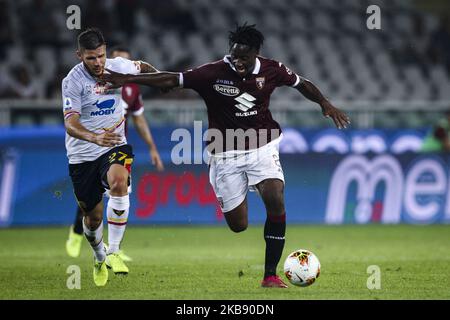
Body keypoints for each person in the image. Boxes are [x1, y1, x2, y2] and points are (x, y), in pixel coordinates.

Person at [100, 24, 350, 288]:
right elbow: (173, 79)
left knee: (275, 198)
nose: (238, 62)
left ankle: (270, 275)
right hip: (225, 153)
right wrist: (128, 80)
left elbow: (302, 84)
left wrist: (324, 103)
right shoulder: (213, 72)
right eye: (234, 55)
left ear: (256, 53)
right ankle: (242, 196)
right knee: (238, 225)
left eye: (244, 57)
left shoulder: (271, 69)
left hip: (262, 145)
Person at [62, 28, 158, 286]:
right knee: (92, 219)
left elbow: (146, 69)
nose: (98, 63)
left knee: (119, 181)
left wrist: (155, 80)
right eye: (91, 58)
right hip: (82, 155)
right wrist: (94, 137)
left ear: (106, 50)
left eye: (101, 56)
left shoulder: (119, 67)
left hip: (114, 145)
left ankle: (115, 251)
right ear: (79, 55)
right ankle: (99, 255)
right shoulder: (72, 81)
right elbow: (70, 123)